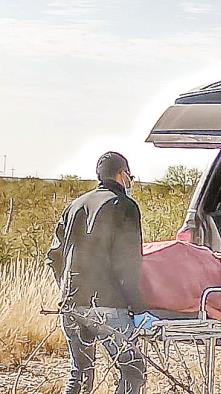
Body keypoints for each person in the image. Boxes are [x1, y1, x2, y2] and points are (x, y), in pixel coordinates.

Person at [46, 151, 147, 394]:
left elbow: (53, 257)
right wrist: (139, 307)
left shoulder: (74, 205)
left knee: (80, 372)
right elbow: (128, 261)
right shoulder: (123, 205)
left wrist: (68, 289)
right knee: (133, 371)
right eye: (130, 176)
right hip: (106, 304)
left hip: (70, 303)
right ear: (123, 175)